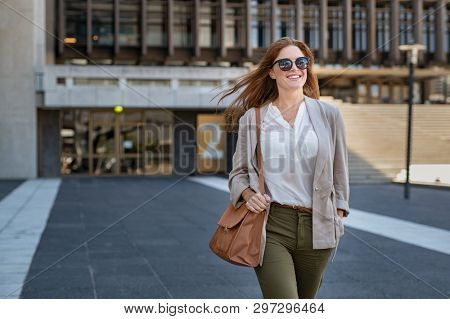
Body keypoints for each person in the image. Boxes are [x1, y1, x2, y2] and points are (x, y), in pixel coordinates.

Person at [220, 37, 350, 299]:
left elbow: (340, 171)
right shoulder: (254, 118)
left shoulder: (328, 115)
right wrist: (248, 195)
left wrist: (338, 215)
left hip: (319, 225)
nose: (295, 68)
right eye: (286, 63)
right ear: (272, 71)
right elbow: (238, 173)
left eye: (301, 62)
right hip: (272, 224)